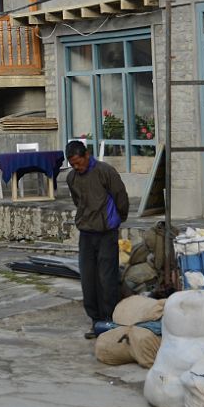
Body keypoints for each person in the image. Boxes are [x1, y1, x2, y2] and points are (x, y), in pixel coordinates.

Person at [66, 139, 129, 339]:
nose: (77, 167)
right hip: (86, 234)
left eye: (79, 163)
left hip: (106, 233)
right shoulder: (71, 178)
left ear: (87, 155)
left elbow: (121, 197)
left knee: (107, 278)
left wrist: (116, 219)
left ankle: (110, 319)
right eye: (73, 164)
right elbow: (78, 201)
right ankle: (95, 321)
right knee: (88, 279)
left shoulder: (105, 172)